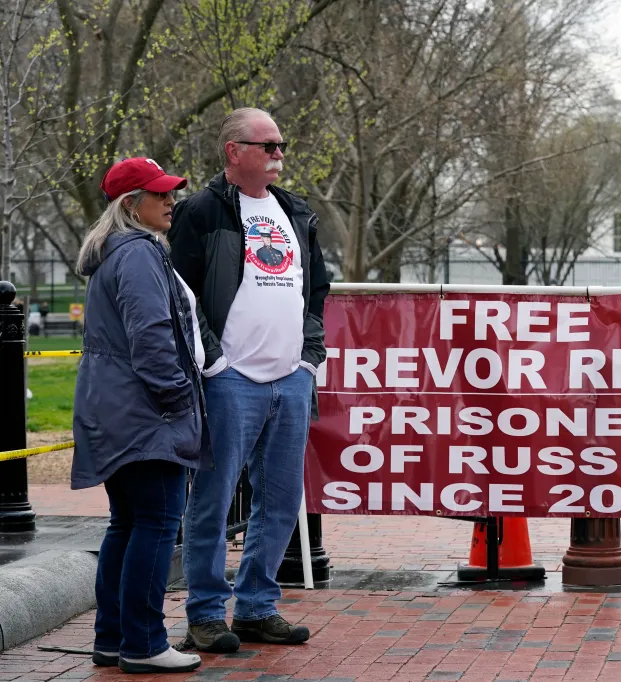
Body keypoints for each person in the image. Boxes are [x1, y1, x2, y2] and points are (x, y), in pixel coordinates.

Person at [170, 107, 329, 653]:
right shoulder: (200, 212)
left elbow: (316, 294)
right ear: (235, 151)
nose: (280, 154)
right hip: (230, 379)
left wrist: (309, 358)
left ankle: (258, 607)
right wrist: (213, 363)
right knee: (213, 500)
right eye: (269, 145)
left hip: (290, 378)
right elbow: (184, 298)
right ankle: (206, 613)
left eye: (281, 145)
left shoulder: (296, 212)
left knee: (282, 500)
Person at [71, 157, 209, 674]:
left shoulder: (120, 253)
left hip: (119, 408)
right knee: (154, 522)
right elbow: (151, 337)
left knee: (128, 523)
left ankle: (114, 639)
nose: (171, 201)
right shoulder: (138, 256)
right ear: (132, 205)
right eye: (160, 194)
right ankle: (145, 642)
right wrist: (178, 400)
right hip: (144, 412)